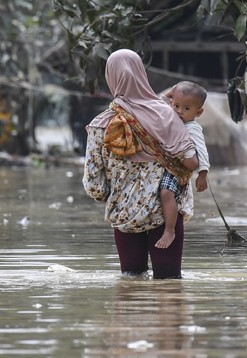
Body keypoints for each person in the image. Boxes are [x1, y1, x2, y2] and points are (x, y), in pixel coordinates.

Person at [83, 49, 198, 279]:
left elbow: (95, 185)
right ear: (141, 73)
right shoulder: (169, 115)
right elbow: (189, 160)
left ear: (111, 77)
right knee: (170, 287)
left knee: (130, 286)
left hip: (124, 216)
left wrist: (118, 195)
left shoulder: (100, 125)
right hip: (166, 217)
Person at [156, 81, 210, 249]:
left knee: (166, 194)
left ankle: (170, 230)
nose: (179, 111)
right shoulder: (171, 116)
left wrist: (203, 174)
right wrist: (171, 92)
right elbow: (160, 102)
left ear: (198, 112)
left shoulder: (192, 127)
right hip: (165, 163)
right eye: (176, 105)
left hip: (177, 169)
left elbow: (202, 151)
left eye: (186, 108)